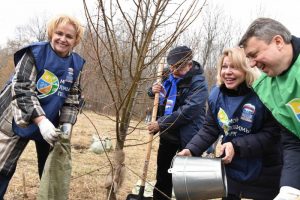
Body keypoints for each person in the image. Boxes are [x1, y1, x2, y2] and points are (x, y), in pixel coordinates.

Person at [178, 47, 282, 200]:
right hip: (231, 170)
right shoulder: (216, 95)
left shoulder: (265, 94)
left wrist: (236, 146)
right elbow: (210, 129)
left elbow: (272, 134)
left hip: (264, 174)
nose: (227, 72)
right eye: (224, 67)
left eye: (234, 67)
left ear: (247, 69)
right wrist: (191, 149)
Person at [0, 15, 85, 199]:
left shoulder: (75, 65)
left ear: (75, 40)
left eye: (69, 36)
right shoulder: (34, 53)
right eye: (59, 33)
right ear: (51, 33)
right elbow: (22, 89)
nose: (63, 39)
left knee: (51, 171)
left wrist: (66, 125)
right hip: (15, 116)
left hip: (50, 122)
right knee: (2, 167)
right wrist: (41, 121)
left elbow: (72, 98)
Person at [238, 17, 300, 200]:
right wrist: (290, 188)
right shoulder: (267, 88)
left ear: (278, 42)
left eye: (253, 54)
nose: (251, 64)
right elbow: (293, 141)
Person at [147, 45, 208, 200]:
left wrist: (162, 123)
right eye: (172, 66)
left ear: (189, 64)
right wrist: (152, 90)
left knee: (187, 180)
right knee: (163, 176)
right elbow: (158, 93)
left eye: (178, 67)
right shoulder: (168, 74)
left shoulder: (199, 83)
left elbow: (189, 111)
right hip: (168, 134)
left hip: (189, 138)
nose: (173, 71)